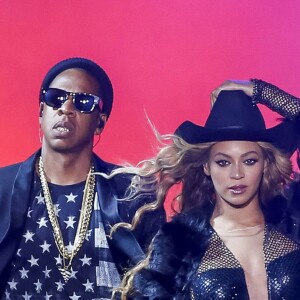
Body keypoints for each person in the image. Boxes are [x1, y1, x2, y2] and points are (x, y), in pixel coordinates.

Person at [0, 57, 165, 299]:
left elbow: (160, 284)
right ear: (41, 111)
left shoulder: (133, 193)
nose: (65, 108)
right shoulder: (3, 187)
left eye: (83, 102)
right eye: (55, 97)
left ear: (100, 122)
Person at [114, 90, 300, 299]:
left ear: (265, 163)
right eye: (223, 162)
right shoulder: (180, 242)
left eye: (249, 161)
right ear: (206, 166)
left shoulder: (292, 222)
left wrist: (258, 89)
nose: (237, 174)